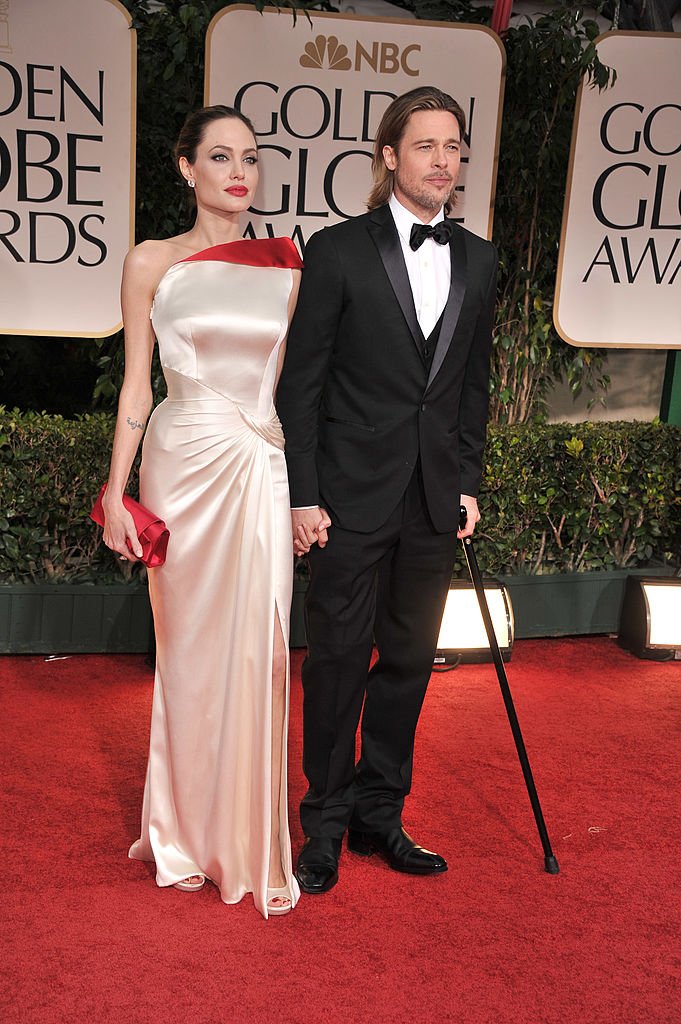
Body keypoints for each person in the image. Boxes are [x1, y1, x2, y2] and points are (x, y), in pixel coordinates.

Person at [276, 86, 497, 895]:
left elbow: (471, 384)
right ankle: (323, 828)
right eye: (426, 146)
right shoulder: (335, 250)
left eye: (453, 147)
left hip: (433, 502)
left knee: (405, 662)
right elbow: (301, 387)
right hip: (347, 499)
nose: (443, 161)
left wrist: (467, 481)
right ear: (389, 157)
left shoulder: (479, 257)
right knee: (335, 663)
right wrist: (303, 495)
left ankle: (380, 816)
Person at [102, 105, 302, 918]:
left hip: (259, 462)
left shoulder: (286, 262)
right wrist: (116, 491)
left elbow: (292, 381)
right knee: (185, 658)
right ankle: (180, 831)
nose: (238, 171)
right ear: (186, 169)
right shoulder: (150, 260)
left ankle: (249, 842)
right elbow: (135, 385)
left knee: (262, 652)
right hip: (181, 465)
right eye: (220, 156)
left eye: (250, 157)